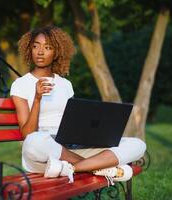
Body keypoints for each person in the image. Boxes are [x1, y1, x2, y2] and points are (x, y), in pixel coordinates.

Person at [10, 26, 146, 185]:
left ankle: (71, 168)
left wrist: (91, 136)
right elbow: (27, 134)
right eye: (35, 46)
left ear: (56, 53)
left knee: (138, 144)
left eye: (47, 47)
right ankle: (97, 167)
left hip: (70, 150)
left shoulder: (65, 85)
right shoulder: (21, 84)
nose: (40, 51)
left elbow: (74, 121)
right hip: (43, 154)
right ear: (29, 49)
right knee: (34, 141)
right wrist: (37, 99)